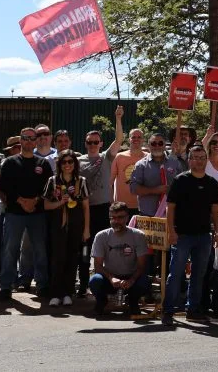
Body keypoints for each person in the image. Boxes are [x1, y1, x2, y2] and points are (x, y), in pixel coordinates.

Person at [162, 145, 218, 327]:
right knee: (176, 274)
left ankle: (193, 310)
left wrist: (217, 231)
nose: (198, 160)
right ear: (189, 160)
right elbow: (170, 208)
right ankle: (168, 311)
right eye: (195, 157)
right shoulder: (180, 180)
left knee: (199, 274)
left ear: (206, 159)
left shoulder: (212, 182)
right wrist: (171, 232)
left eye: (202, 157)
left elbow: (215, 209)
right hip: (182, 236)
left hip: (203, 236)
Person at [0, 127, 53, 300]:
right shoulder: (10, 162)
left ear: (36, 141)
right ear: (20, 140)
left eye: (32, 138)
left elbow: (48, 189)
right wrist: (22, 201)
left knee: (40, 250)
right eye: (25, 138)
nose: (29, 141)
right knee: (10, 250)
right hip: (14, 213)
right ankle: (6, 286)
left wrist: (35, 201)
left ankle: (42, 285)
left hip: (37, 214)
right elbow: (4, 188)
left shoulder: (43, 164)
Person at [77, 108, 123, 298]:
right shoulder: (77, 160)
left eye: (96, 142)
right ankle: (83, 284)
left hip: (104, 209)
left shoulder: (106, 157)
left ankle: (104, 283)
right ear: (86, 143)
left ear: (101, 143)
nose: (93, 145)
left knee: (105, 248)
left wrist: (118, 118)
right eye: (90, 142)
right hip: (84, 210)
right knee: (85, 249)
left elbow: (119, 140)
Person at [42, 151, 90, 306]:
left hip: (76, 225)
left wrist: (86, 229)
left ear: (75, 163)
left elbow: (85, 207)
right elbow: (46, 205)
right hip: (57, 225)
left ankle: (68, 292)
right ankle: (56, 294)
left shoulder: (81, 181)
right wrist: (60, 203)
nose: (67, 165)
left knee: (72, 258)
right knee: (57, 259)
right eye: (64, 162)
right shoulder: (53, 180)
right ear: (60, 165)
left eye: (70, 161)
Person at [89, 202, 150, 316]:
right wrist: (112, 278)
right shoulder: (101, 236)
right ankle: (102, 301)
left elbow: (142, 266)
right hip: (109, 278)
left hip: (131, 277)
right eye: (113, 218)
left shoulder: (138, 236)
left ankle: (133, 301)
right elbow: (97, 266)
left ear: (127, 217)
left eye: (120, 218)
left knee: (144, 281)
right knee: (95, 281)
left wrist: (131, 280)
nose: (116, 221)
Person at [130, 134, 183, 217]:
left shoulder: (175, 163)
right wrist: (155, 190)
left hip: (172, 214)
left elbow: (183, 184)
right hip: (148, 215)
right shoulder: (141, 165)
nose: (157, 146)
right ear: (148, 146)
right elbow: (134, 189)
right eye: (153, 143)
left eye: (160, 143)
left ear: (165, 145)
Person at [111, 128, 146, 217]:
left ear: (143, 140)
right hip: (121, 206)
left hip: (143, 206)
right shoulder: (119, 157)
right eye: (133, 137)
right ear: (129, 139)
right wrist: (111, 202)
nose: (136, 139)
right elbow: (110, 181)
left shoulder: (148, 157)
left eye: (139, 137)